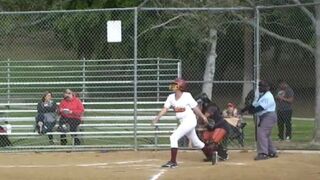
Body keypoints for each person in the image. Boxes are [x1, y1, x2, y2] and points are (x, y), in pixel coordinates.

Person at [152, 78, 211, 168]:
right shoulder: (171, 97)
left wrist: (202, 116)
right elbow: (165, 109)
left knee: (173, 137)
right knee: (196, 142)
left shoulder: (187, 96)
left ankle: (173, 162)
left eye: (175, 85)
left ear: (180, 87)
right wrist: (157, 117)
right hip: (183, 122)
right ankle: (211, 155)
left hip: (190, 120)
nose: (173, 86)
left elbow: (195, 107)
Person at [241, 80, 278, 160]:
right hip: (264, 116)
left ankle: (263, 153)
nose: (260, 87)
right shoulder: (261, 95)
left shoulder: (268, 96)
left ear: (268, 88)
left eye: (262, 86)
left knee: (261, 133)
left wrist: (250, 112)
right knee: (265, 134)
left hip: (269, 116)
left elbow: (259, 108)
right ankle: (272, 151)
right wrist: (243, 110)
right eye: (259, 86)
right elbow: (253, 105)